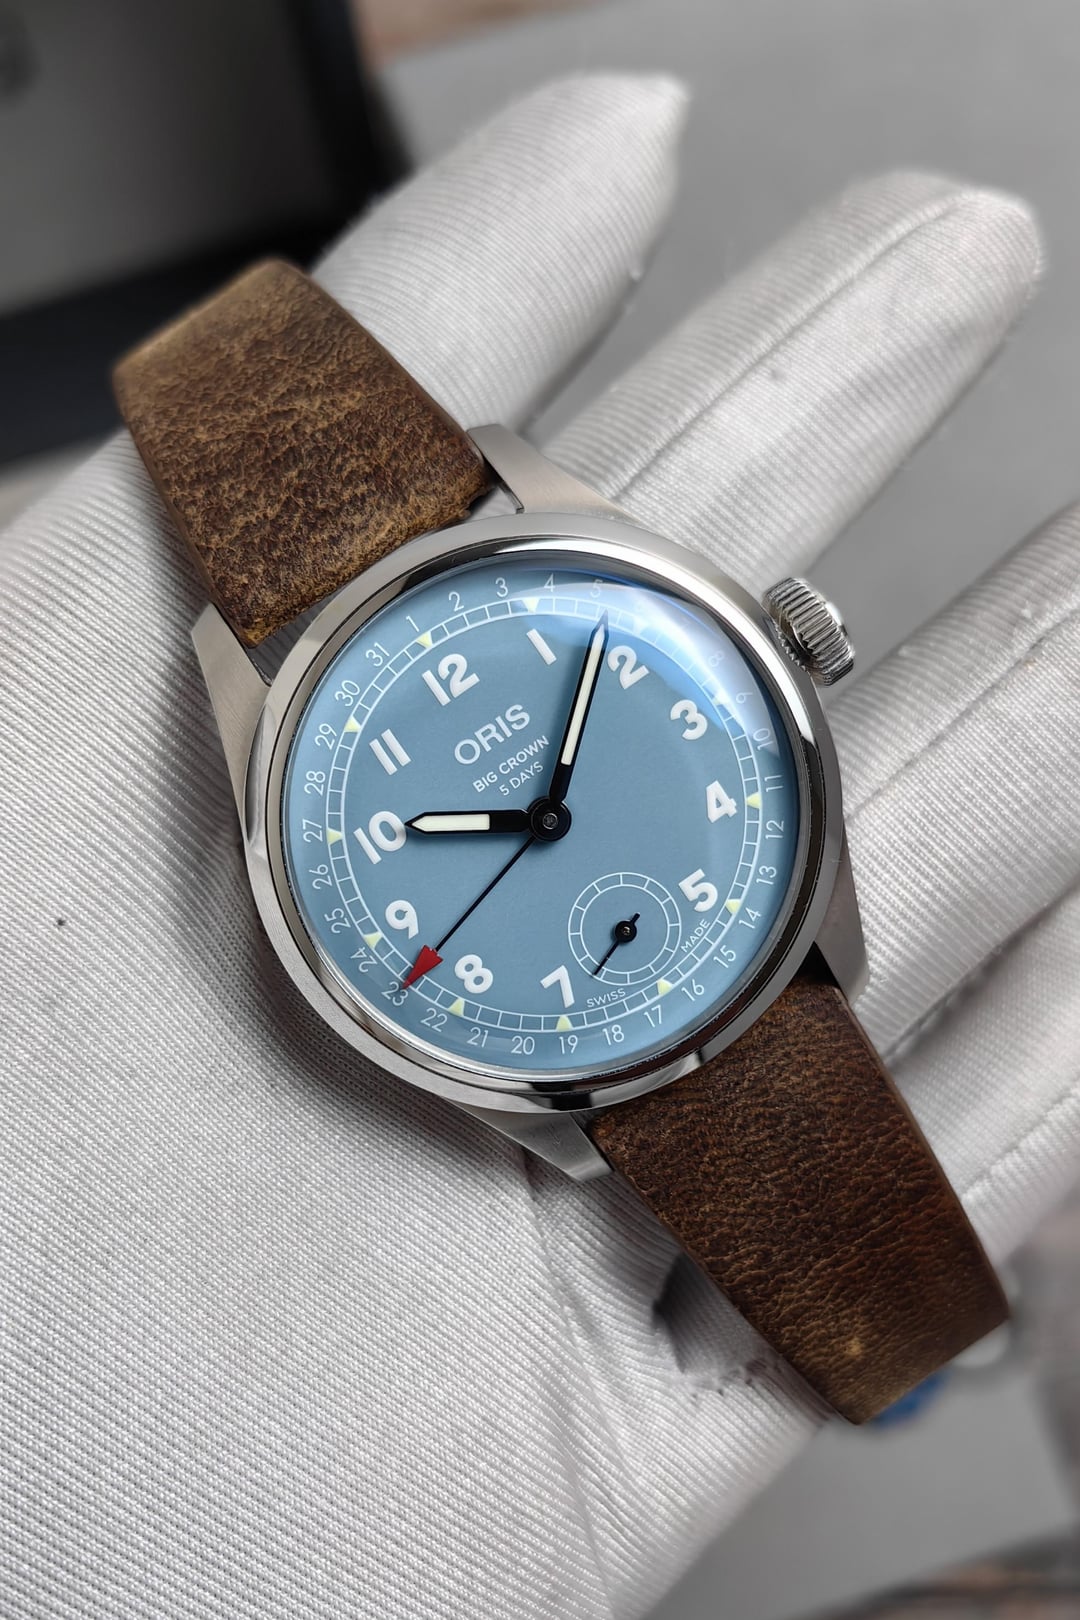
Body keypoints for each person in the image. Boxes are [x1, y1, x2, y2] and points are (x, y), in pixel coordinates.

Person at [0, 73, 1075, 1620]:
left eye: (542, 802)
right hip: (539, 1025)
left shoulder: (664, 714)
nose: (543, 818)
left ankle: (937, 1331)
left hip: (702, 955)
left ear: (791, 644)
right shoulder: (321, 784)